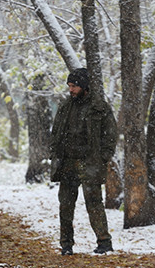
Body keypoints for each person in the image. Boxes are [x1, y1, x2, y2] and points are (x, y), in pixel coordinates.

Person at [49, 68, 117, 256]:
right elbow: (56, 132)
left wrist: (103, 157)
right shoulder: (65, 106)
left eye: (74, 86)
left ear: (84, 86)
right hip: (67, 162)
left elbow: (111, 134)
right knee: (65, 204)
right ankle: (66, 244)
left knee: (94, 203)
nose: (71, 89)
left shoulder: (99, 107)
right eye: (69, 86)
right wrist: (54, 152)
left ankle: (104, 242)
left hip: (90, 162)